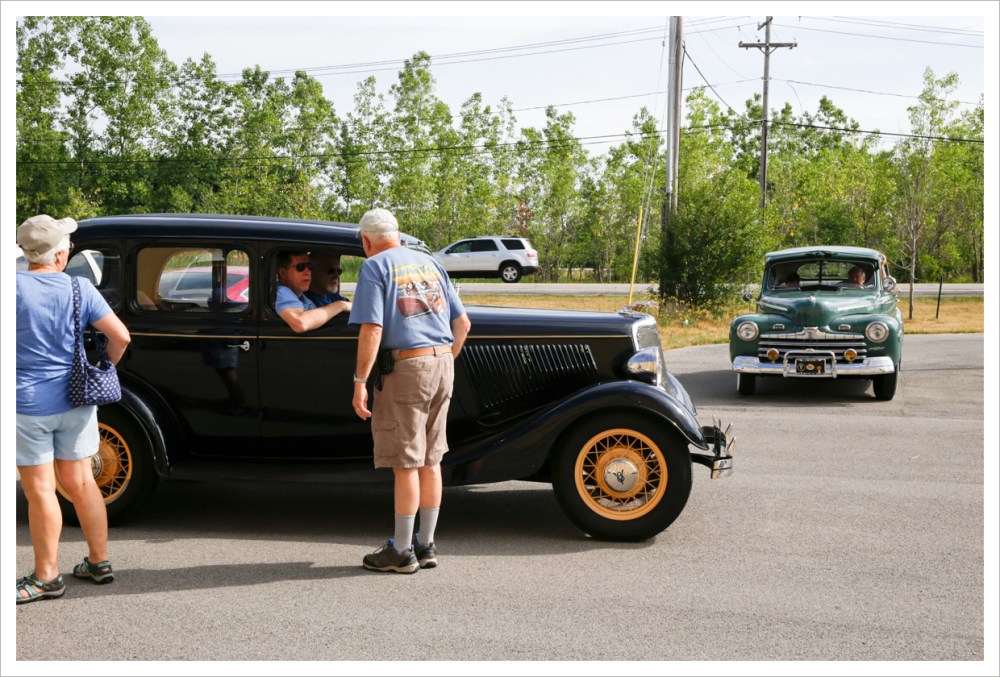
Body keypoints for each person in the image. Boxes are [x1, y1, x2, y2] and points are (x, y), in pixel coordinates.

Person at [15, 214, 131, 604]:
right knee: (82, 483)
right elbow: (121, 337)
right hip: (77, 401)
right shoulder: (79, 288)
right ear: (58, 255)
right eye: (67, 244)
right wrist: (103, 367)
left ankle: (47, 577)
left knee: (41, 491)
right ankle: (99, 562)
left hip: (27, 404)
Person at [349, 208, 471, 574]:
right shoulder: (430, 263)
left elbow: (372, 328)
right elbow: (463, 324)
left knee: (406, 462)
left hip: (407, 368)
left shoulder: (375, 267)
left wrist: (360, 382)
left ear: (366, 240)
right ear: (398, 235)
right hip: (443, 362)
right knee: (431, 460)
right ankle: (426, 544)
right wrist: (441, 359)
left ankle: (401, 551)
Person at [275, 251, 350, 332]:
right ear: (283, 273)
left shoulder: (301, 296)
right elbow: (300, 323)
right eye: (301, 267)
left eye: (310, 266)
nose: (308, 272)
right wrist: (341, 305)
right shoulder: (281, 292)